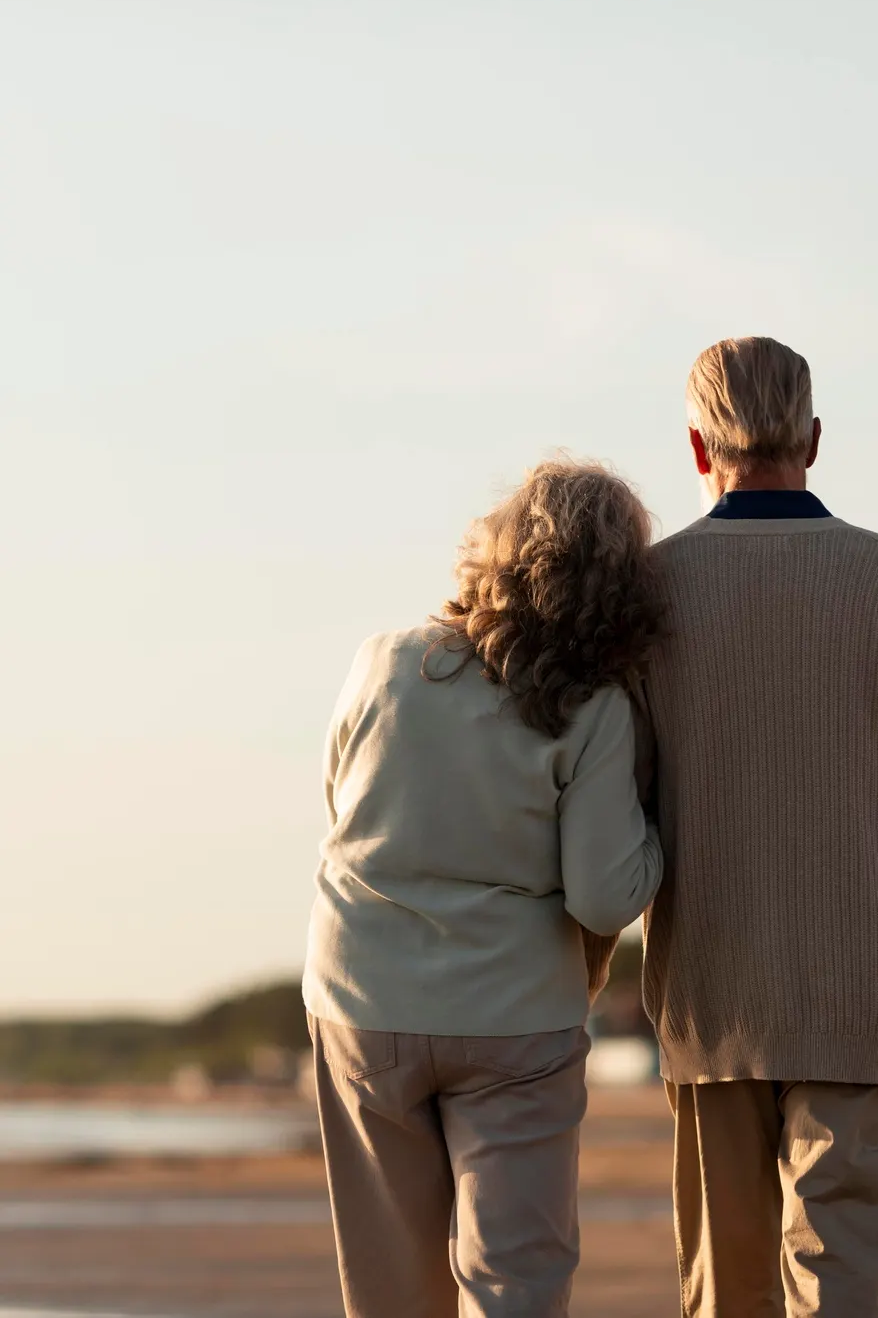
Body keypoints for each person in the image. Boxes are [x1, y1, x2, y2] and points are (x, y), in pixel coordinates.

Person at [641, 337, 878, 1316]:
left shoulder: (647, 594)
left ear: (693, 446)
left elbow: (612, 812)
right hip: (868, 1001)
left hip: (712, 1002)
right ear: (811, 437)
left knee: (728, 1299)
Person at [302, 459, 665, 1318]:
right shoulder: (595, 707)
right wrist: (660, 836)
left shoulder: (383, 663)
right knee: (516, 1283)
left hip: (364, 999)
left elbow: (339, 802)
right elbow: (605, 898)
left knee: (390, 1288)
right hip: (514, 1016)